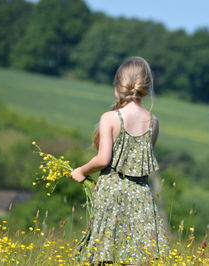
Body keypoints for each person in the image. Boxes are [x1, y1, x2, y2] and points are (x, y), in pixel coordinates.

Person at [71, 56, 169, 264]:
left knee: (103, 250)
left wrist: (81, 171)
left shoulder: (110, 117)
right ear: (146, 87)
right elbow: (142, 159)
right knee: (135, 253)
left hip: (112, 192)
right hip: (141, 194)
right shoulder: (154, 122)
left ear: (118, 86)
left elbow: (103, 159)